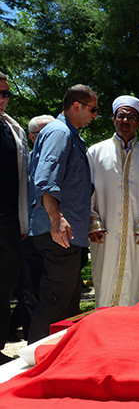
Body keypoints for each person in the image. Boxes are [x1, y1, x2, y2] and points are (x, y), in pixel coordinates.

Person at [28, 84, 98, 343]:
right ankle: (33, 360)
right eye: (93, 109)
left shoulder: (70, 134)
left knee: (67, 302)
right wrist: (56, 218)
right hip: (58, 232)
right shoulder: (59, 132)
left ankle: (58, 360)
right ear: (76, 106)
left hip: (69, 233)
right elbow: (46, 179)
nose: (95, 115)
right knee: (55, 298)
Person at [87, 95, 139, 307]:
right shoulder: (95, 153)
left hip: (137, 236)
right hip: (104, 234)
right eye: (121, 116)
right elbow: (86, 191)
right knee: (104, 282)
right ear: (113, 119)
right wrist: (93, 222)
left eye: (131, 117)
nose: (125, 121)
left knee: (134, 283)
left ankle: (128, 334)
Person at [8, 115, 54, 342]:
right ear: (32, 137)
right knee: (29, 292)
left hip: (54, 235)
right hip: (27, 236)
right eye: (46, 133)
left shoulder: (57, 158)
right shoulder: (21, 161)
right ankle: (33, 341)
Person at [0, 72, 29, 362]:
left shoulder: (14, 130)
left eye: (6, 93)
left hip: (9, 221)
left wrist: (22, 221)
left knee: (5, 286)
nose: (3, 99)